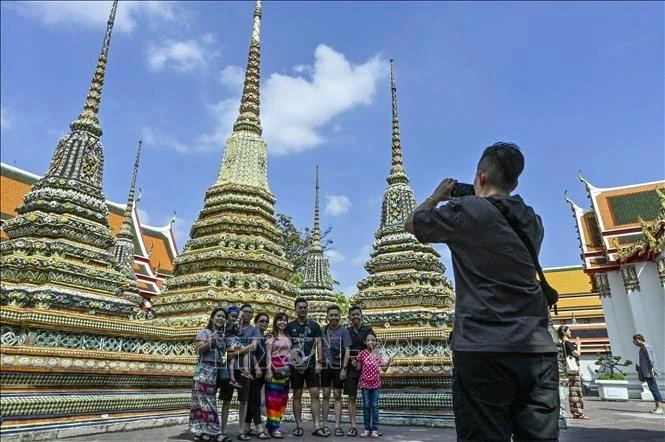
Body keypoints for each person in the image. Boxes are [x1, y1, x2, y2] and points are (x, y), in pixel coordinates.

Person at [405, 142, 559, 442]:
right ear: (514, 182)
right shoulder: (532, 220)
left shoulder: (467, 211)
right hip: (537, 352)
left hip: (482, 349)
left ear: (481, 176)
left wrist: (436, 197)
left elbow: (412, 223)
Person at [189, 307, 232, 442]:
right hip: (203, 369)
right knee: (204, 401)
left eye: (223, 317)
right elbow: (199, 350)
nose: (220, 318)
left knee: (205, 400)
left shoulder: (222, 336)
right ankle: (215, 432)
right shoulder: (204, 332)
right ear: (212, 318)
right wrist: (210, 341)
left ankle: (202, 431)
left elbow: (224, 353)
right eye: (218, 316)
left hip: (216, 371)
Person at [219, 305, 258, 440]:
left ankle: (241, 431)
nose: (247, 314)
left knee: (244, 401)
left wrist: (235, 352)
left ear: (252, 315)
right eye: (244, 312)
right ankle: (223, 430)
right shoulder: (228, 325)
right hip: (228, 368)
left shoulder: (254, 330)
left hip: (243, 370)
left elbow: (253, 346)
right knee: (226, 400)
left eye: (250, 312)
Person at [288, 297, 325, 437]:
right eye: (300, 307)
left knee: (315, 393)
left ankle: (316, 426)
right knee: (297, 394)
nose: (303, 309)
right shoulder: (290, 326)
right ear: (296, 309)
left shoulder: (314, 326)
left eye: (305, 307)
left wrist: (319, 362)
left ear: (307, 308)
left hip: (311, 364)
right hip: (295, 365)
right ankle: (298, 425)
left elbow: (319, 344)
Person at [320, 304, 352, 436]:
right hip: (326, 367)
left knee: (337, 396)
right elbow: (318, 347)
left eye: (336, 315)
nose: (334, 317)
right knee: (326, 395)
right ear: (327, 316)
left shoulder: (344, 331)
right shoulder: (323, 330)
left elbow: (348, 351)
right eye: (331, 315)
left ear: (340, 316)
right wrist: (319, 362)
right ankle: (325, 425)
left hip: (338, 367)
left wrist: (344, 368)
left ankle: (338, 425)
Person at [344, 305, 375, 437]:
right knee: (351, 396)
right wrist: (345, 367)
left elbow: (374, 346)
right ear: (349, 317)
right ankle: (353, 426)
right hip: (352, 368)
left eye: (358, 314)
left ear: (361, 316)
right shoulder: (346, 332)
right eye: (353, 314)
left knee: (370, 399)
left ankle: (372, 427)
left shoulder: (367, 330)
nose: (355, 316)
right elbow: (344, 349)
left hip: (367, 368)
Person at [356, 332, 391, 438]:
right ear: (364, 342)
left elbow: (384, 369)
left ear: (376, 342)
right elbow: (358, 368)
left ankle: (375, 429)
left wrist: (388, 362)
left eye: (373, 340)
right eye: (368, 340)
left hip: (375, 383)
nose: (370, 342)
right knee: (366, 406)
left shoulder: (378, 354)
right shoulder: (362, 353)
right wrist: (354, 364)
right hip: (365, 383)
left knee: (374, 406)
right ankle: (367, 428)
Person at [265, 312, 293, 438]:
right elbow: (268, 355)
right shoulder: (271, 337)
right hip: (275, 369)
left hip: (286, 371)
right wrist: (269, 370)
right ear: (275, 322)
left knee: (282, 400)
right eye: (280, 320)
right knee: (273, 400)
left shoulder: (288, 336)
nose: (282, 322)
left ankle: (273, 425)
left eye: (284, 320)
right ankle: (274, 428)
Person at [243, 312, 271, 439]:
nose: (264, 323)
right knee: (255, 399)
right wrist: (256, 367)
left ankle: (247, 426)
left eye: (266, 321)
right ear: (256, 322)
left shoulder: (262, 336)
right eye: (262, 321)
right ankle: (259, 428)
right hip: (255, 370)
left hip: (263, 369)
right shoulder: (254, 333)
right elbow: (252, 352)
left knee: (253, 398)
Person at [558, 325, 589, 419]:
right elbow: (577, 354)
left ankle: (575, 412)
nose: (570, 332)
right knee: (576, 391)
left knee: (572, 392)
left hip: (567, 369)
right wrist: (578, 345)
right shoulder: (567, 343)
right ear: (564, 332)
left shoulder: (562, 343)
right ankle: (578, 412)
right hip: (573, 371)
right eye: (569, 331)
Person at [633, 334, 663, 414]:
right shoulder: (642, 348)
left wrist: (653, 369)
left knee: (654, 388)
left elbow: (651, 359)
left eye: (635, 341)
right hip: (645, 372)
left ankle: (660, 407)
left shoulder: (646, 347)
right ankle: (657, 407)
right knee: (652, 388)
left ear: (638, 339)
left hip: (649, 372)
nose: (634, 343)